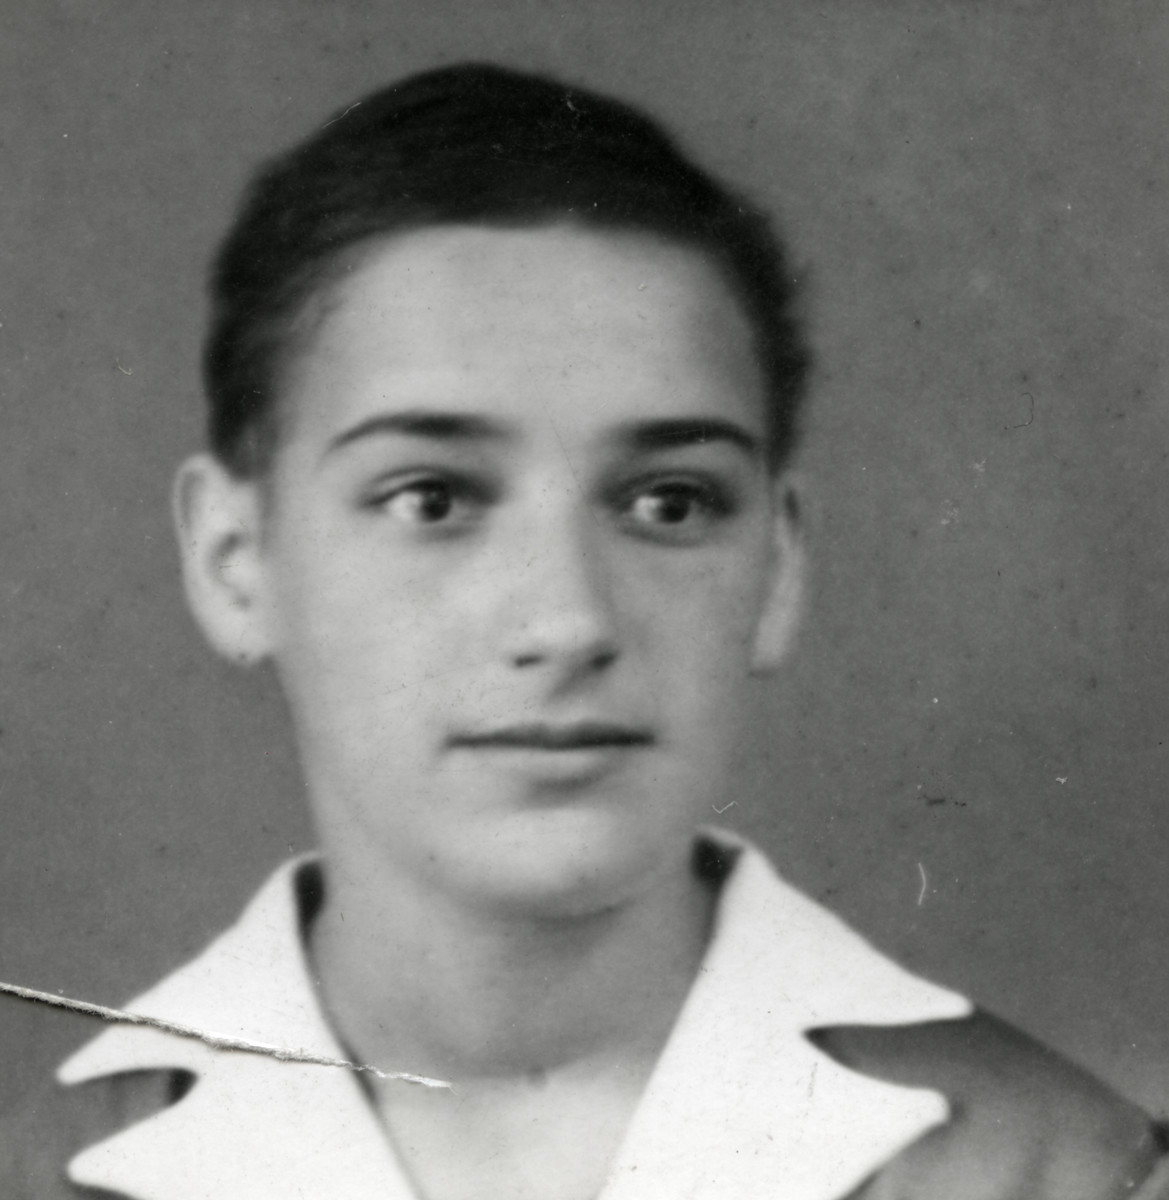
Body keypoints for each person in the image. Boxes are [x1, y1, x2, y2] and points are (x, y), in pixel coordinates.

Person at [2, 62, 1166, 1200]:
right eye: (432, 499)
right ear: (234, 560)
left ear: (775, 566)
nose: (565, 620)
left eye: (669, 502)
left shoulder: (1068, 1172)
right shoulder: (40, 1174)